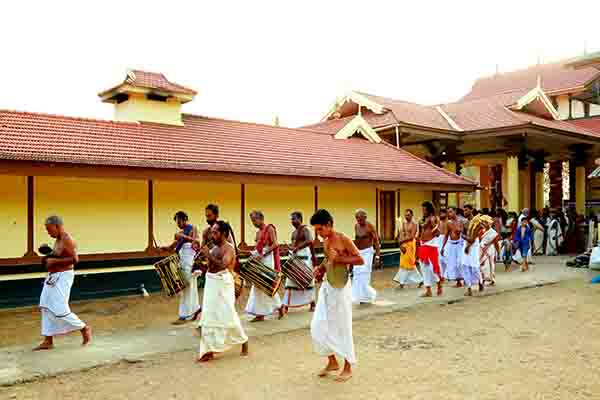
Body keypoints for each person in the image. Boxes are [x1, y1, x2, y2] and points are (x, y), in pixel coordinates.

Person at [310, 209, 363, 382]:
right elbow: (328, 260)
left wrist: (339, 259)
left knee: (343, 326)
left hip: (341, 287)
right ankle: (332, 361)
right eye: (316, 230)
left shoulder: (343, 239)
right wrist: (321, 268)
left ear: (329, 225)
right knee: (318, 325)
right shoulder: (326, 241)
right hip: (327, 285)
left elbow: (359, 259)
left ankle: (348, 366)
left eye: (320, 229)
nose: (318, 233)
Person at [35, 216, 92, 351]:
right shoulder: (57, 240)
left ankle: (84, 328)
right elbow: (59, 256)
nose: (49, 233)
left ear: (57, 226)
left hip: (63, 277)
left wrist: (54, 262)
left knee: (59, 308)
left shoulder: (67, 240)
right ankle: (48, 340)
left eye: (49, 230)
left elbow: (75, 259)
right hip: (53, 277)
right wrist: (49, 254)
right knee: (45, 305)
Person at [196, 221, 249, 362]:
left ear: (223, 234)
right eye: (212, 232)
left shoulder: (229, 249)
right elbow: (209, 264)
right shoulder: (214, 248)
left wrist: (208, 255)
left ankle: (244, 340)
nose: (212, 235)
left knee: (228, 314)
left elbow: (223, 266)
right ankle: (208, 351)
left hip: (223, 284)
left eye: (215, 232)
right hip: (212, 283)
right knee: (208, 315)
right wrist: (201, 255)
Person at [161, 211, 201, 325]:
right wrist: (164, 248)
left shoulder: (193, 228)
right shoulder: (180, 233)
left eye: (179, 221)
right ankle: (196, 308)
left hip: (190, 262)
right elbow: (172, 246)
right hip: (182, 262)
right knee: (188, 288)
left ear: (185, 219)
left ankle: (184, 316)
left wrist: (182, 236)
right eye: (176, 222)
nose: (178, 224)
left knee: (185, 288)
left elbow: (197, 242)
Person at [245, 210, 284, 321]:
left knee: (267, 286)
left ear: (261, 218)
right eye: (251, 221)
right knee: (258, 287)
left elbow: (275, 244)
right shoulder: (258, 233)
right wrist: (251, 255)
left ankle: (280, 307)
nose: (253, 223)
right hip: (259, 261)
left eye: (254, 220)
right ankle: (260, 314)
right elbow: (257, 249)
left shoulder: (269, 228)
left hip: (267, 261)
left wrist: (262, 255)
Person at [282, 212, 316, 313]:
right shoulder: (293, 233)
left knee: (307, 281)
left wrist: (298, 248)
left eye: (294, 219)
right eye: (291, 219)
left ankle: (312, 303)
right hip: (294, 258)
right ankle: (286, 305)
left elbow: (310, 240)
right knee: (290, 281)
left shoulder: (305, 229)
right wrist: (288, 249)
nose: (292, 221)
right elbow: (293, 246)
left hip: (304, 259)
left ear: (300, 219)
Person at [352, 209, 380, 304]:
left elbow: (376, 241)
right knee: (356, 274)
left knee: (364, 275)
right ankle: (359, 296)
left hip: (368, 252)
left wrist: (377, 257)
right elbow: (356, 240)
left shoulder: (370, 226)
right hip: (358, 253)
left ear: (365, 217)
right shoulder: (356, 226)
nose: (358, 221)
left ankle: (368, 296)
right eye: (357, 218)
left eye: (360, 218)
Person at [417, 201, 443, 297]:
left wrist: (433, 225)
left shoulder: (433, 219)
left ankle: (439, 284)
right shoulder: (422, 219)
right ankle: (428, 290)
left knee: (433, 267)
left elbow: (438, 233)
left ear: (429, 210)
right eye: (422, 210)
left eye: (424, 210)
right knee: (424, 268)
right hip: (423, 244)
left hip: (431, 244)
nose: (423, 211)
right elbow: (420, 232)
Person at [393, 209, 423, 288]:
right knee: (405, 263)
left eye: (408, 215)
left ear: (412, 215)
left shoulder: (414, 224)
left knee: (409, 263)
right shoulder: (403, 223)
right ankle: (419, 280)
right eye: (405, 215)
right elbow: (401, 234)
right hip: (403, 244)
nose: (407, 216)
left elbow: (412, 237)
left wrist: (402, 241)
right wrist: (400, 244)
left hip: (410, 245)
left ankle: (402, 282)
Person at [440, 207, 464, 287]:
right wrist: (443, 247)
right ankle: (458, 282)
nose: (449, 214)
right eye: (448, 212)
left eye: (451, 212)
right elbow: (446, 235)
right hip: (452, 245)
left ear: (455, 212)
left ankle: (464, 278)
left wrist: (459, 230)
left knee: (460, 262)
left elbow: (464, 232)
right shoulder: (448, 223)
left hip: (460, 244)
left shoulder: (461, 221)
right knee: (453, 263)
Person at [461, 215, 483, 296]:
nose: (465, 212)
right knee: (464, 265)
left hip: (473, 246)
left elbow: (472, 239)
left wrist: (467, 246)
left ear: (471, 211)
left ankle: (480, 281)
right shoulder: (465, 222)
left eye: (467, 210)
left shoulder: (477, 223)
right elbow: (463, 234)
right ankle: (469, 288)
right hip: (466, 243)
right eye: (464, 210)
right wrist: (464, 238)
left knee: (474, 267)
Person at [479, 216, 500, 285]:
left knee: (491, 264)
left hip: (490, 249)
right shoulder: (481, 232)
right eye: (482, 222)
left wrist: (498, 252)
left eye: (485, 222)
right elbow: (479, 241)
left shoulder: (493, 233)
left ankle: (492, 279)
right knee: (482, 263)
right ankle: (483, 279)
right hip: (482, 248)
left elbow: (496, 243)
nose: (483, 224)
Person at [437, 208, 449, 277]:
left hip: (447, 239)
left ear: (446, 214)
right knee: (439, 258)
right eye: (440, 213)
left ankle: (447, 274)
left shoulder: (449, 222)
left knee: (446, 257)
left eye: (443, 213)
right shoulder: (439, 222)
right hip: (439, 240)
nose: (441, 215)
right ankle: (441, 274)